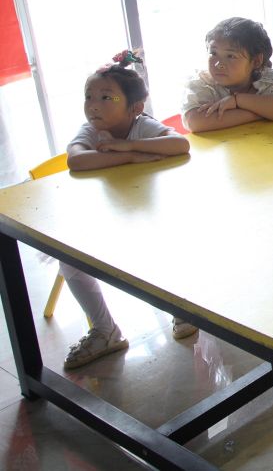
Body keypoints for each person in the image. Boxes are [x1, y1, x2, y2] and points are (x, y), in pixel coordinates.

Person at [63, 51, 193, 369]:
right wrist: (130, 157)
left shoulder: (141, 125)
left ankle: (182, 307)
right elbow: (76, 160)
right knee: (69, 260)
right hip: (104, 220)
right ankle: (104, 330)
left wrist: (129, 144)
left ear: (135, 107)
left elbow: (180, 144)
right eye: (89, 96)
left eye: (106, 97)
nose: (94, 105)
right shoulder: (90, 131)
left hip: (150, 216)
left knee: (166, 247)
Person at [183, 17, 273, 131]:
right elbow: (194, 122)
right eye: (213, 53)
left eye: (230, 56)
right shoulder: (204, 82)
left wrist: (238, 100)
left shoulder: (268, 80)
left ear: (256, 61)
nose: (218, 64)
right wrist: (261, 112)